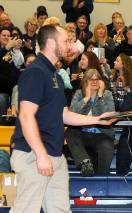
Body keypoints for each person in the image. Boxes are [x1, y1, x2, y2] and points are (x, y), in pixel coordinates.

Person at [10, 24, 116, 213]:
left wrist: (98, 119)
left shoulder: (55, 75)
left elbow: (63, 114)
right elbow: (26, 115)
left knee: (60, 209)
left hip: (54, 155)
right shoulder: (36, 72)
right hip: (33, 155)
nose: (69, 44)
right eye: (65, 40)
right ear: (51, 43)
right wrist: (41, 155)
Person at [66, 69, 115, 176]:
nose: (94, 81)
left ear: (101, 81)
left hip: (101, 134)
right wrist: (87, 98)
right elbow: (71, 114)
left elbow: (108, 117)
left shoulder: (107, 95)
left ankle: (103, 177)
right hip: (82, 133)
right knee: (70, 132)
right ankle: (85, 163)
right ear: (85, 82)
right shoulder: (79, 94)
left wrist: (100, 96)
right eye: (90, 79)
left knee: (107, 145)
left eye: (97, 79)